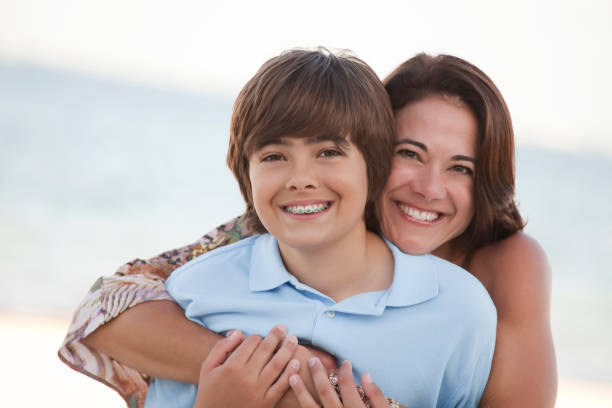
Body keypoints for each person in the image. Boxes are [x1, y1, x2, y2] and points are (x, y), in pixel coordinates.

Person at [58, 52, 556, 407]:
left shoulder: (490, 279)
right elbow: (111, 305)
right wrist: (284, 371)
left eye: (461, 168)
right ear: (379, 154)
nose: (428, 188)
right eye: (410, 154)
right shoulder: (277, 228)